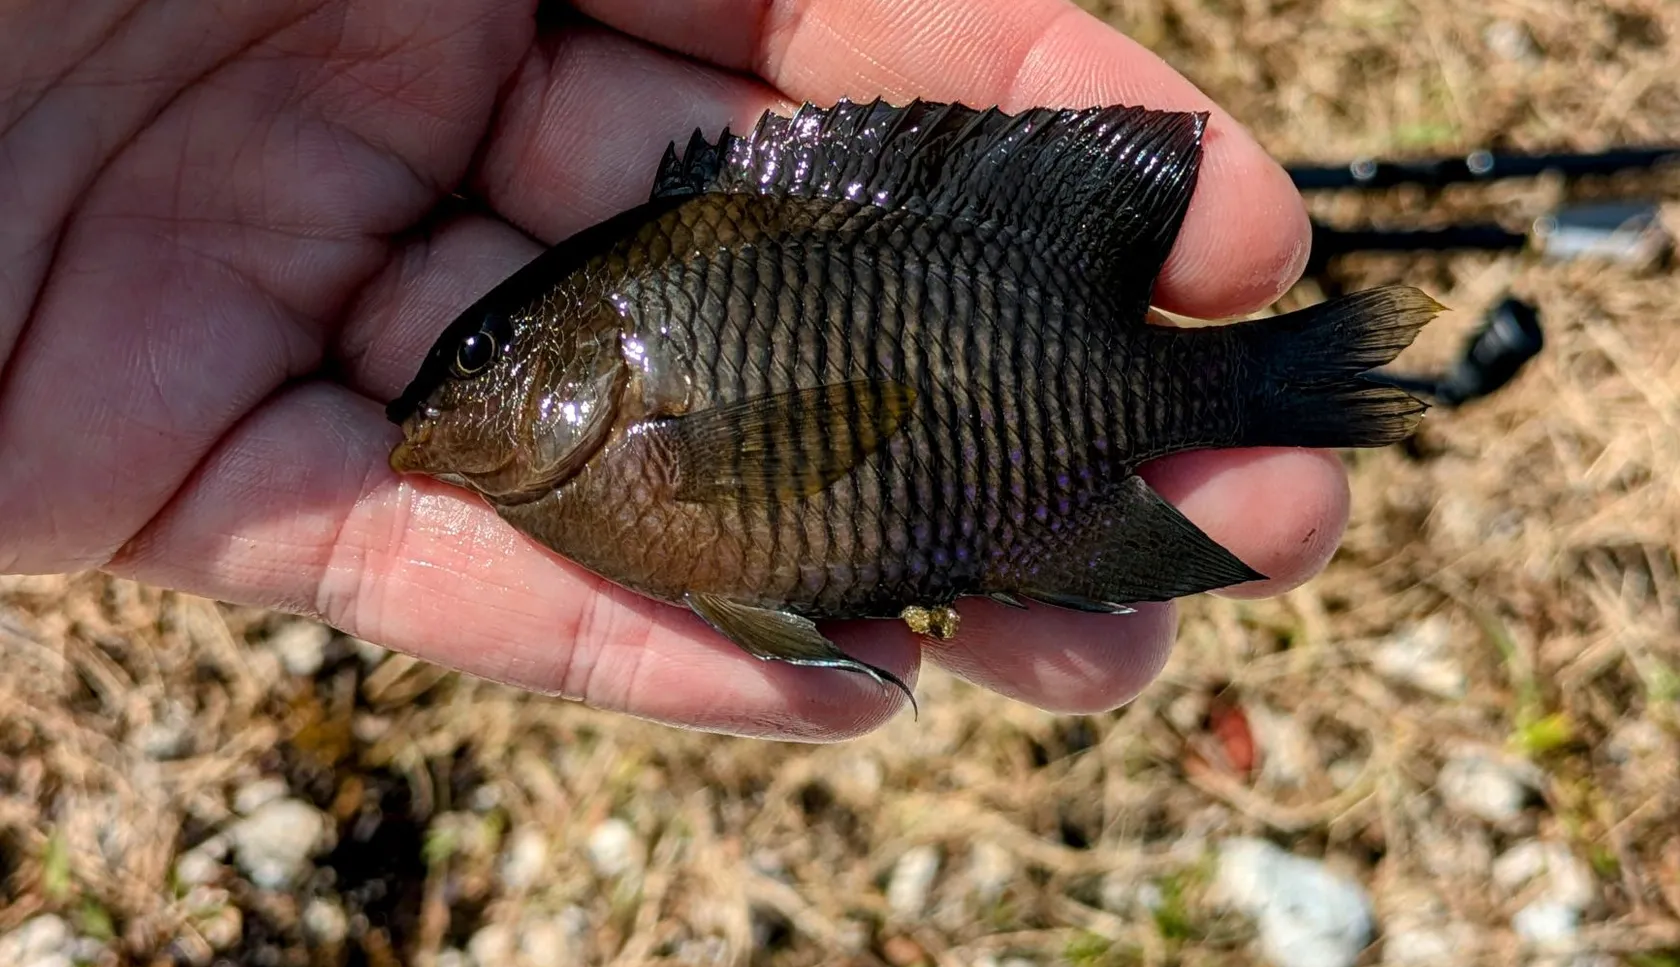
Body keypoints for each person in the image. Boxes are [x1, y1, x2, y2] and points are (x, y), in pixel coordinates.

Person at [0, 0, 1343, 740]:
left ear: (584, 365)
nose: (450, 394)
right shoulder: (597, 416)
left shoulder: (630, 405)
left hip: (1028, 391)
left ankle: (1269, 383)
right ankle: (1275, 385)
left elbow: (847, 421)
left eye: (485, 356)